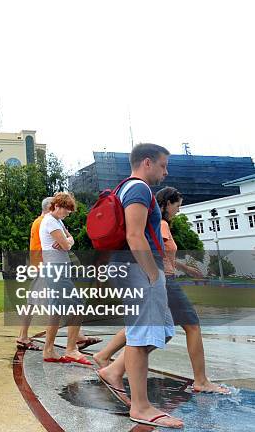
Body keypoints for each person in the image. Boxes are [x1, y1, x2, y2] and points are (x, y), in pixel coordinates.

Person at [94, 187, 229, 395]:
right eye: (177, 206)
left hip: (160, 276)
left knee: (149, 325)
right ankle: (201, 380)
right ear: (166, 204)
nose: (179, 210)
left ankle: (107, 358)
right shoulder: (162, 224)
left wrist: (184, 268)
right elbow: (157, 249)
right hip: (164, 279)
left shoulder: (159, 223)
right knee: (191, 325)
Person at [94, 143, 183, 429]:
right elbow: (134, 235)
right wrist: (152, 274)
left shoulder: (125, 188)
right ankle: (141, 407)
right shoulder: (139, 189)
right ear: (147, 162)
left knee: (163, 329)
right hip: (138, 269)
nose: (165, 172)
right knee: (141, 335)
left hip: (131, 268)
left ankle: (114, 370)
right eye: (163, 165)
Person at [16, 198, 101, 352]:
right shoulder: (44, 222)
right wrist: (64, 243)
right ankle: (72, 340)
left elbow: (68, 240)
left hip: (45, 266)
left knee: (50, 304)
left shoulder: (51, 221)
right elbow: (47, 245)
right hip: (45, 267)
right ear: (51, 207)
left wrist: (67, 240)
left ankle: (73, 338)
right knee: (52, 304)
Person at [37, 192, 92, 365]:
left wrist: (68, 240)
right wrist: (67, 241)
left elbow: (69, 240)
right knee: (78, 305)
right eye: (67, 211)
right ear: (58, 206)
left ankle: (49, 350)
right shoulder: (50, 222)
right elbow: (67, 245)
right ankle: (71, 349)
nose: (68, 214)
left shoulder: (57, 221)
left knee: (56, 311)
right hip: (56, 270)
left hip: (57, 269)